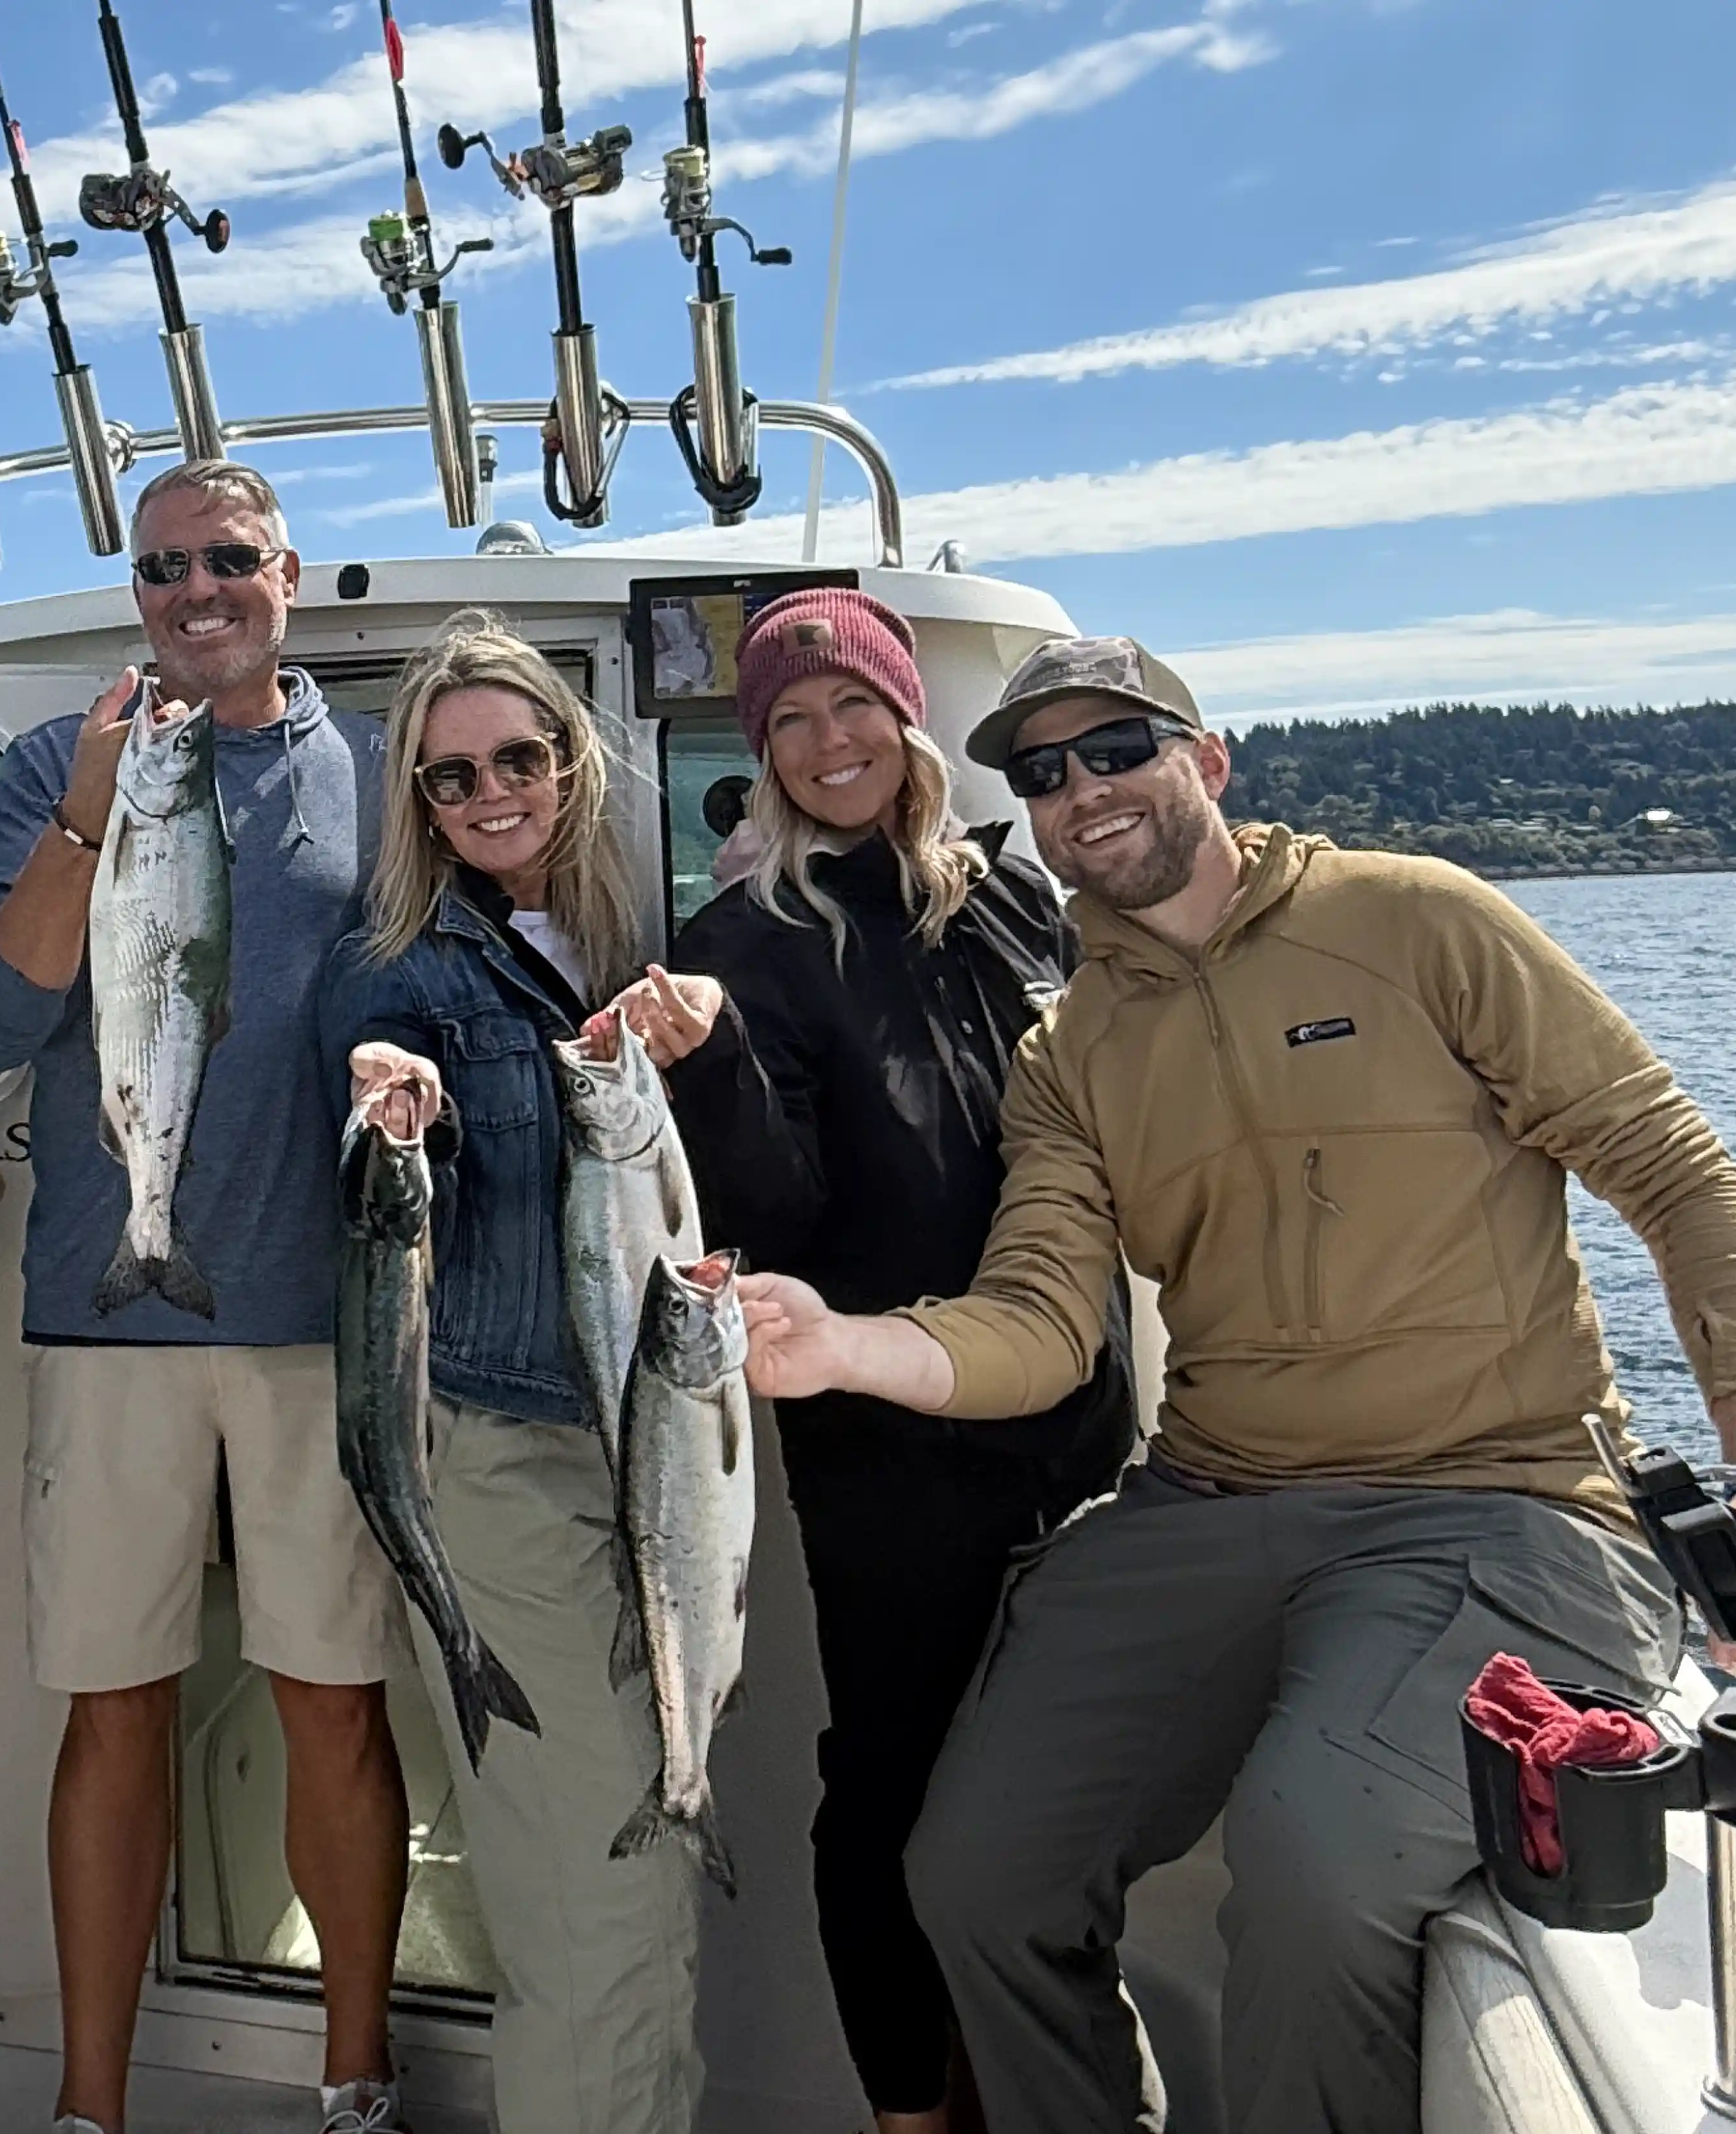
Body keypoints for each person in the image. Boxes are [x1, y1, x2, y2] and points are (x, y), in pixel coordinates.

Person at [729, 634, 1736, 2134]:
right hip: (1206, 1500)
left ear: (1206, 759)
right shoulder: (1071, 1046)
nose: (1080, 794)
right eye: (1041, 775)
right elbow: (1043, 1321)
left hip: (1496, 1499)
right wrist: (842, 1345)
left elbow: (1670, 1169)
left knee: (1314, 1862)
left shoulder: (1415, 919)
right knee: (971, 1876)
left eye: (1116, 751)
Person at [599, 587, 1134, 2134]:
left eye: (852, 707)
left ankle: (1027, 2090)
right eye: (789, 720)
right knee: (892, 1789)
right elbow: (775, 1213)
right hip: (887, 1445)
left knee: (1052, 1797)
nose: (828, 743)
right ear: (759, 752)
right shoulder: (739, 941)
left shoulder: (1012, 901)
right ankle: (912, 2114)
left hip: (1075, 1418)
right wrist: (702, 1066)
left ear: (905, 720)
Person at [0, 459, 412, 2134]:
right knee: (112, 1705)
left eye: (228, 560)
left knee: (334, 1705)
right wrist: (88, 808)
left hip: (320, 1318)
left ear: (288, 573)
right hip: (105, 1314)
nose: (196, 592)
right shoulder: (42, 770)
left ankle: (358, 2080)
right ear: (134, 593)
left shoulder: (377, 774)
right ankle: (91, 2107)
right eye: (163, 569)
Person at [317, 615, 705, 2134]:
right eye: (446, 777)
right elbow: (368, 1134)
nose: (487, 794)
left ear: (572, 756)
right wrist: (386, 1112)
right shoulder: (396, 969)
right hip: (511, 1463)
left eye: (517, 758)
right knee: (594, 1900)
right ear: (414, 804)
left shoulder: (642, 938)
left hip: (665, 1461)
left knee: (651, 1866)